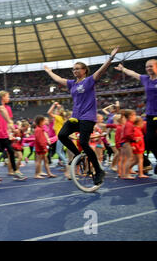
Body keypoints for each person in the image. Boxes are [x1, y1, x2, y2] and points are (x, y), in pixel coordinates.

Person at [44, 46, 119, 186]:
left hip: (88, 117)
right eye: (74, 69)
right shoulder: (72, 83)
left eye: (78, 68)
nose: (75, 71)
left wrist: (111, 58)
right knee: (62, 135)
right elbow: (59, 79)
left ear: (84, 70)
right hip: (75, 117)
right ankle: (78, 155)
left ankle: (98, 170)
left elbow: (101, 71)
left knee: (84, 142)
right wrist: (49, 71)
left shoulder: (89, 80)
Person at [115, 59, 157, 170]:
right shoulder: (145, 79)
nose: (148, 69)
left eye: (150, 66)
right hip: (150, 114)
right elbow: (133, 74)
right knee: (149, 140)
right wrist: (123, 69)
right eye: (146, 67)